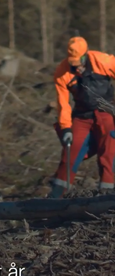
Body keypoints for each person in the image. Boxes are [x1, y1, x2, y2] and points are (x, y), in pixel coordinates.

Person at [48, 36, 115, 198]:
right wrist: (65, 128)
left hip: (105, 111)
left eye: (79, 61)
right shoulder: (62, 72)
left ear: (86, 54)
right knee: (71, 149)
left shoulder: (103, 61)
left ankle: (107, 193)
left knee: (109, 148)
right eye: (73, 62)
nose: (76, 65)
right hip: (82, 115)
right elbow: (63, 104)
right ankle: (57, 195)